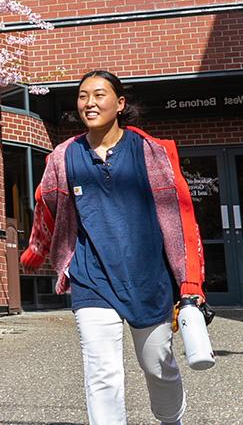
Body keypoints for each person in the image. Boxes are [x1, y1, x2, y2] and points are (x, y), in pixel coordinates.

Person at [20, 70, 205, 425]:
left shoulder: (152, 152)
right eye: (82, 96)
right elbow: (46, 203)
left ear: (120, 104)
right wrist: (38, 249)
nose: (89, 103)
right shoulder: (64, 156)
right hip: (93, 278)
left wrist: (190, 284)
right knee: (101, 371)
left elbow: (181, 220)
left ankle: (171, 419)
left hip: (148, 278)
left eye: (99, 95)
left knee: (158, 365)